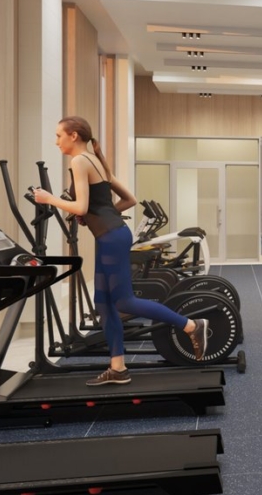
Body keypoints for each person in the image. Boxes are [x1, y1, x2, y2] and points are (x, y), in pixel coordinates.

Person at [32, 116, 209, 386]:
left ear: (74, 135)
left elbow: (80, 207)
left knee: (124, 302)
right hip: (112, 234)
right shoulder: (97, 162)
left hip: (111, 238)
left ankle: (191, 325)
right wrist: (99, 215)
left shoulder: (79, 161)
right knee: (103, 303)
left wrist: (49, 199)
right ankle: (118, 368)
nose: (56, 141)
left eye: (59, 135)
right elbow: (129, 200)